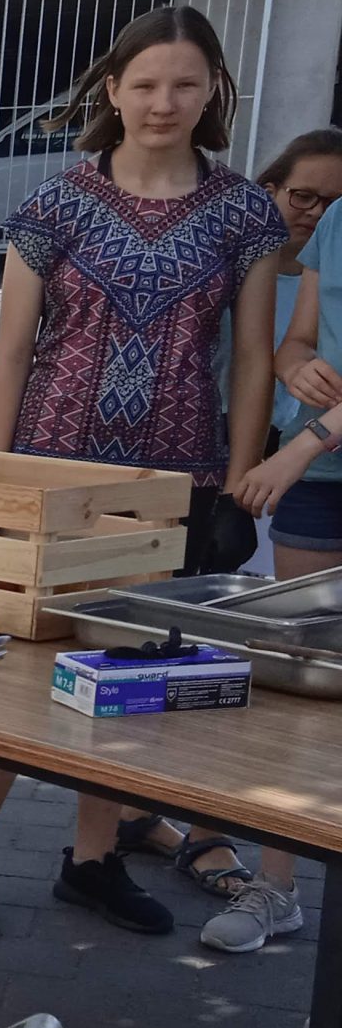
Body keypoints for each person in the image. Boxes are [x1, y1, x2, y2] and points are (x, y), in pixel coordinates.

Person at [0, 5, 286, 940]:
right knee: (16, 672)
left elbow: (253, 357)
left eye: (185, 84)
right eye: (144, 84)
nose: (163, 102)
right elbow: (11, 351)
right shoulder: (54, 205)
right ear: (113, 89)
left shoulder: (246, 213)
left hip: (172, 483)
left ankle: (93, 859)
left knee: (129, 673)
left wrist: (237, 478)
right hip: (53, 472)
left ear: (214, 91)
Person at [207, 129, 342, 951]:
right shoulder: (339, 224)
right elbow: (295, 340)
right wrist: (296, 368)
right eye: (305, 194)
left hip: (305, 460)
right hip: (318, 484)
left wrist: (299, 447)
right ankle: (277, 885)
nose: (317, 208)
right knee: (301, 678)